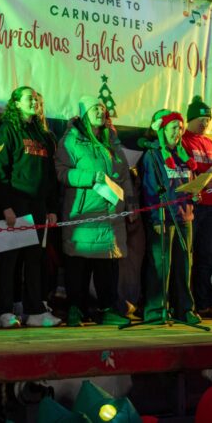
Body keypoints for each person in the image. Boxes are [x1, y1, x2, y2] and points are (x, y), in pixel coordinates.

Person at [55, 96, 136, 327]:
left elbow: (124, 176)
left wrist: (130, 203)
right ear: (84, 113)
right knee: (78, 264)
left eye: (102, 108)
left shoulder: (112, 140)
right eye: (95, 108)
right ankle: (76, 310)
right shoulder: (71, 140)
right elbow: (61, 172)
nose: (100, 111)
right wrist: (89, 178)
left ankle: (107, 308)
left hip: (111, 214)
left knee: (107, 265)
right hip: (83, 214)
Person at [0, 86, 61, 328]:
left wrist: (51, 207)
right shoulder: (7, 129)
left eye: (36, 99)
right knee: (10, 260)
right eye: (29, 98)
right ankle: (4, 311)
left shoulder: (41, 133)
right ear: (16, 103)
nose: (34, 102)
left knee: (34, 259)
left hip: (38, 204)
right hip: (16, 203)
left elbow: (49, 174)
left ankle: (34, 311)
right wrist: (5, 207)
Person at [140, 110, 199, 324]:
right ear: (162, 130)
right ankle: (156, 311)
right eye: (173, 127)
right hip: (163, 218)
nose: (178, 132)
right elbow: (148, 189)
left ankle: (185, 309)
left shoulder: (184, 154)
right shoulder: (153, 154)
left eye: (180, 128)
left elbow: (187, 182)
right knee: (160, 266)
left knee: (185, 265)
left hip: (185, 217)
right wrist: (156, 219)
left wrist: (196, 192)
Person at [181, 96, 212, 320]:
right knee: (191, 258)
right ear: (190, 119)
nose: (204, 123)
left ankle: (207, 302)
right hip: (196, 206)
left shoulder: (209, 143)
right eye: (201, 118)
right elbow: (190, 168)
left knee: (209, 259)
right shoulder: (184, 140)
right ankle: (190, 304)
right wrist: (208, 170)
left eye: (208, 119)